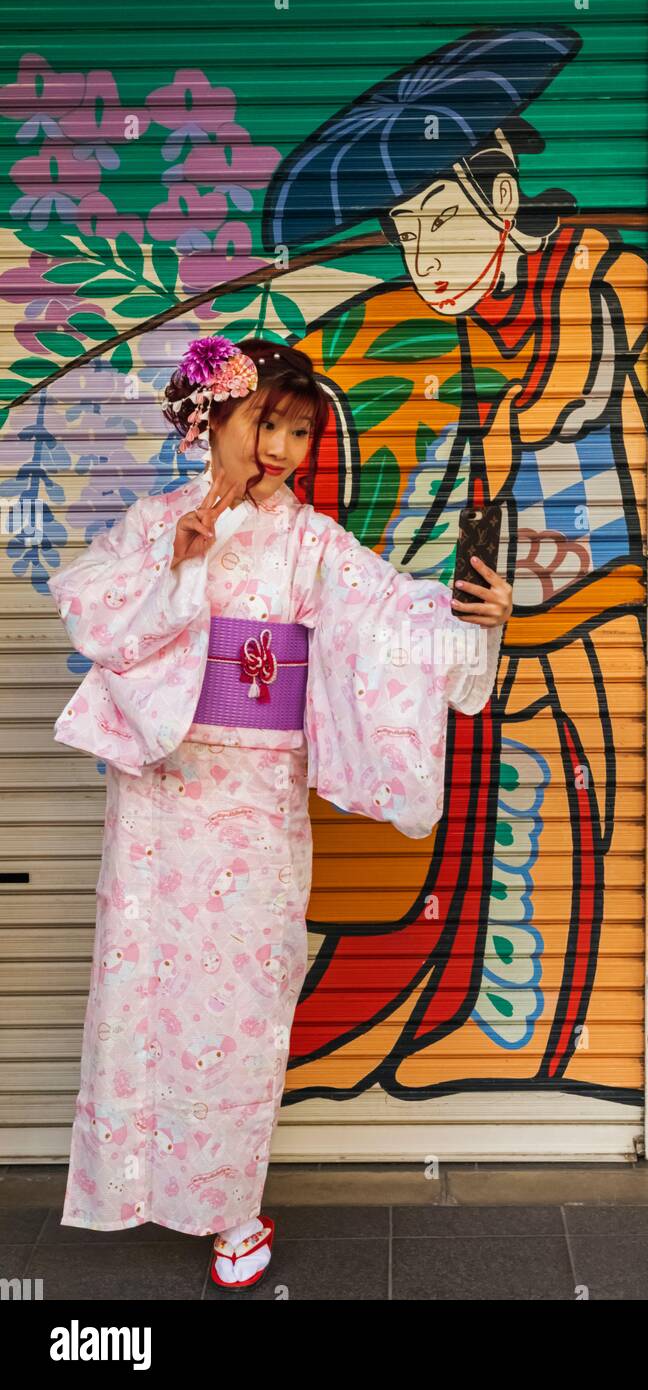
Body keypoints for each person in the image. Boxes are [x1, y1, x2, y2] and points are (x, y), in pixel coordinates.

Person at [48, 335, 512, 1289]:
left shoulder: (312, 544)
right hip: (161, 794)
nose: (284, 445)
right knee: (145, 992)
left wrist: (477, 621)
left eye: (300, 429)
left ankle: (230, 1204)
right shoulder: (152, 523)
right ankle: (134, 1180)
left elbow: (392, 621)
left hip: (255, 799)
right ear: (210, 418)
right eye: (268, 421)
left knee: (247, 1001)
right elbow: (98, 623)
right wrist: (179, 567)